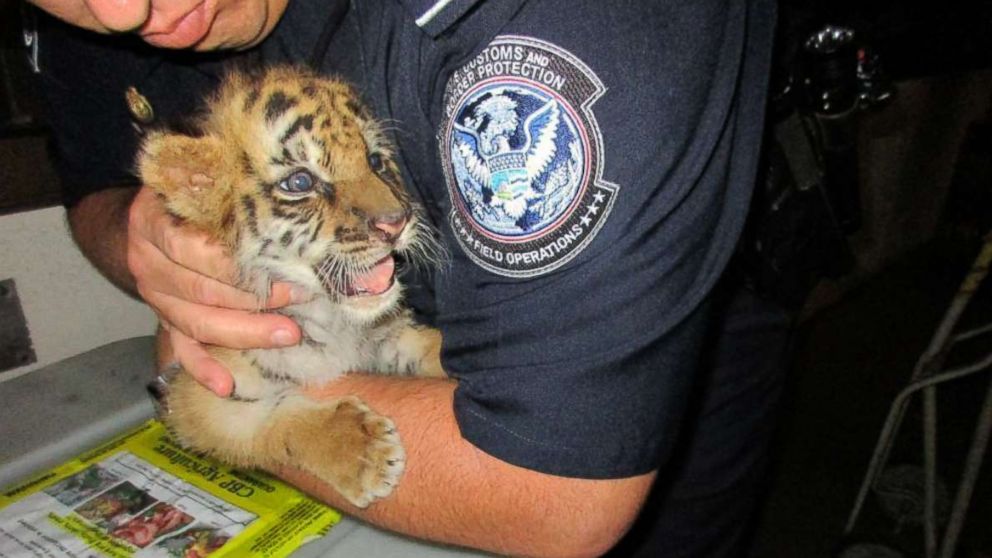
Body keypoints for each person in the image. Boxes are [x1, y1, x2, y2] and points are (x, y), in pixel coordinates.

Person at [26, 0, 790, 556]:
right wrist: (140, 237)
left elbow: (553, 492)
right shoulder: (100, 16)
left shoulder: (570, 22)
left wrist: (255, 407)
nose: (123, 11)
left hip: (643, 356)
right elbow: (97, 178)